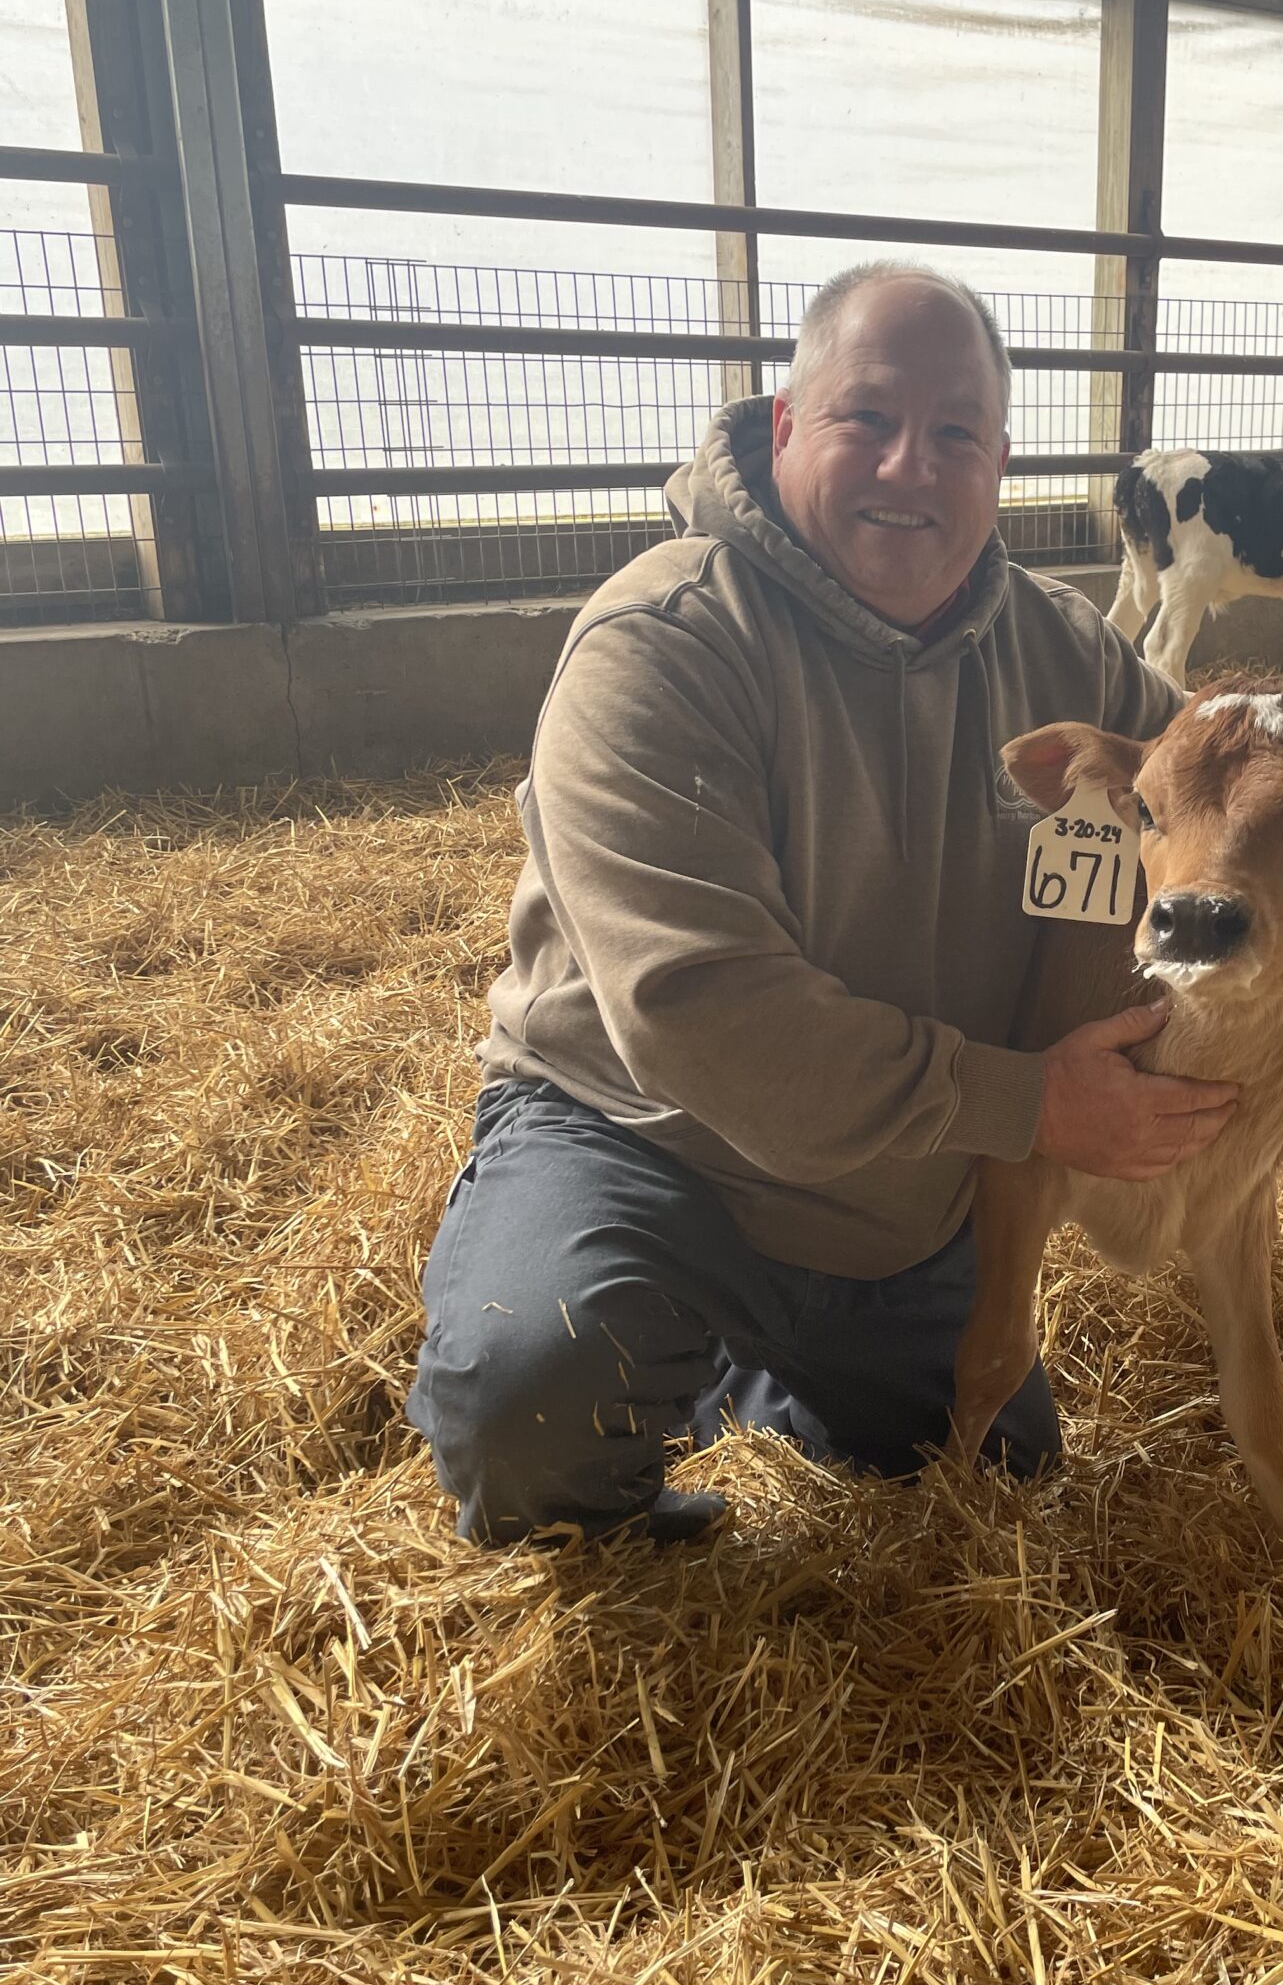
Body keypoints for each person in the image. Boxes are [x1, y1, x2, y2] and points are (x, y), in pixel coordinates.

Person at [407, 264, 1240, 1545]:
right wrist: (1033, 1104)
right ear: (788, 425)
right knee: (533, 1393)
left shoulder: (1060, 652)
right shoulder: (663, 640)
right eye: (870, 419)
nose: (913, 466)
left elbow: (1209, 798)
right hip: (647, 1144)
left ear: (1000, 463)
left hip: (892, 1185)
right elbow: (703, 1017)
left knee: (991, 1480)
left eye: (956, 432)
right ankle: (633, 1352)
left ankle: (750, 1378)